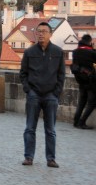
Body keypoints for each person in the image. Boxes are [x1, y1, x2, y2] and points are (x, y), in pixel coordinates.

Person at [20, 22, 65, 168]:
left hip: (51, 95)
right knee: (30, 128)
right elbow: (23, 73)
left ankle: (51, 158)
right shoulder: (29, 52)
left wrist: (56, 92)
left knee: (50, 130)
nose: (41, 34)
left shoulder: (58, 52)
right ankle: (29, 157)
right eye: (39, 31)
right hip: (34, 94)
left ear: (50, 34)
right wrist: (28, 90)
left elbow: (61, 74)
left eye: (44, 31)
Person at [72, 34, 96, 129]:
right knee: (92, 102)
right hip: (91, 81)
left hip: (80, 80)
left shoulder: (75, 52)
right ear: (90, 41)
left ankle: (76, 121)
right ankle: (82, 122)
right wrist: (93, 49)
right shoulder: (91, 52)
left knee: (82, 101)